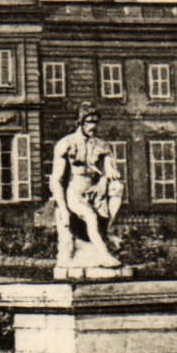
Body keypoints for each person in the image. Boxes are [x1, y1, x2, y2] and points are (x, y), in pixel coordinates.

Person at [50, 103, 124, 271]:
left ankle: (108, 230)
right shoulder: (67, 143)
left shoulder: (101, 145)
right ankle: (104, 255)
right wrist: (63, 208)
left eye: (96, 122)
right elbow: (56, 179)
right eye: (89, 122)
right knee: (90, 217)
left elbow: (110, 169)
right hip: (75, 192)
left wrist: (105, 179)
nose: (93, 126)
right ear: (80, 122)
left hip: (95, 190)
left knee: (118, 187)